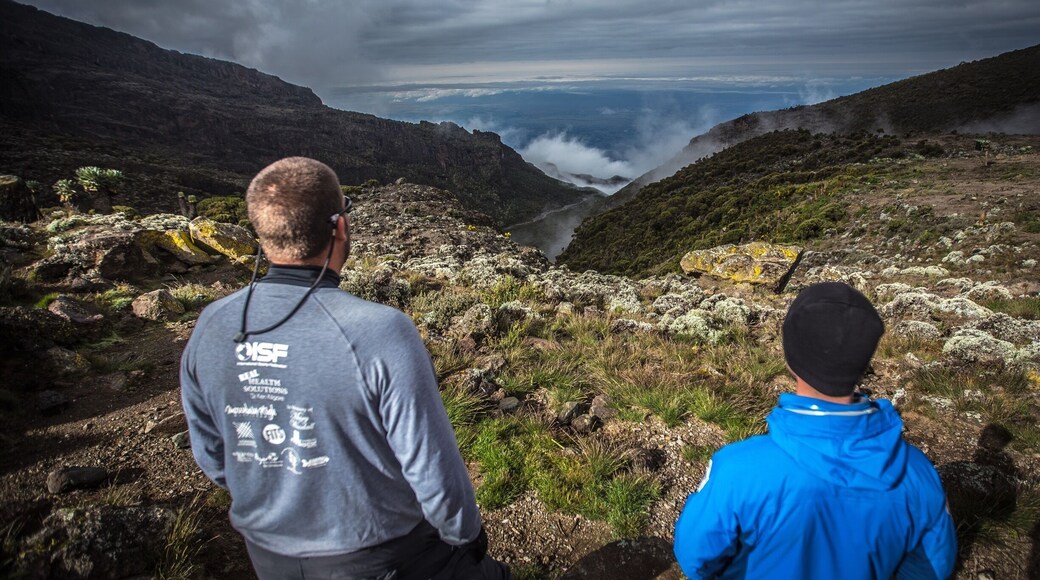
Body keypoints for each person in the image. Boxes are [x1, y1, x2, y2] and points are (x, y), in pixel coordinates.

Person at [181, 157, 510, 580]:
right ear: (340, 227)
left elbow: (212, 454)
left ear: (262, 235)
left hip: (267, 553)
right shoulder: (379, 330)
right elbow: (430, 464)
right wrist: (465, 533)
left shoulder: (212, 323)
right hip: (381, 554)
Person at [673, 282, 956, 579]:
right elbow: (931, 568)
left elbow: (695, 557)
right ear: (864, 362)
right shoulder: (919, 474)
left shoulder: (736, 468)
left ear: (790, 357)